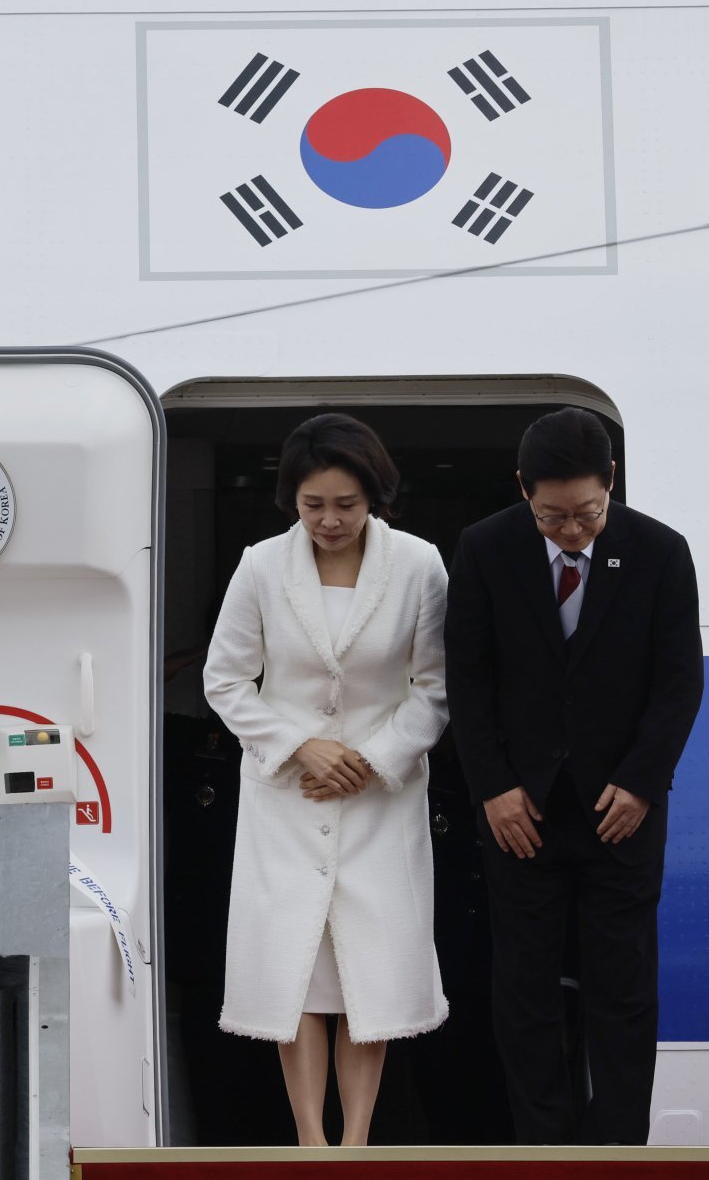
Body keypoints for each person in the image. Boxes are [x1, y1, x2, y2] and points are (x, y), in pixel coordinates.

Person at [444, 407, 703, 1145]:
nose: (571, 531)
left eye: (587, 513)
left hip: (622, 807)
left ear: (611, 482)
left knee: (623, 984)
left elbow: (679, 681)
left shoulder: (660, 551)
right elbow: (467, 678)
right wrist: (492, 786)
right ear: (522, 488)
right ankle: (543, 1146)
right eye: (552, 516)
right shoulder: (485, 548)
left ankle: (618, 1148)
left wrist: (643, 781)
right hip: (519, 809)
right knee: (523, 984)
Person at [203, 413, 450, 1147]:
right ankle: (310, 1141)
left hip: (381, 801)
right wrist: (297, 746)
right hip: (286, 798)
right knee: (297, 971)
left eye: (347, 504)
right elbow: (225, 680)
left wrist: (372, 759)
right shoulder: (260, 566)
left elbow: (436, 687)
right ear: (292, 499)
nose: (330, 520)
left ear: (375, 496)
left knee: (369, 973)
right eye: (314, 505)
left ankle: (357, 1144)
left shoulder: (418, 565)